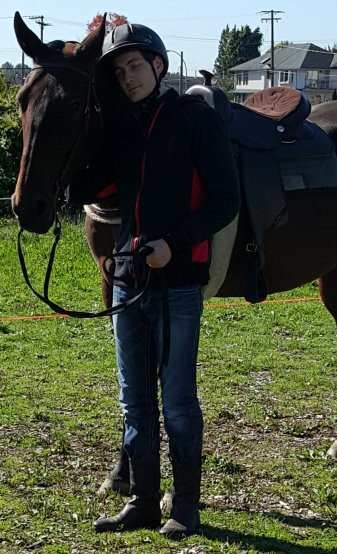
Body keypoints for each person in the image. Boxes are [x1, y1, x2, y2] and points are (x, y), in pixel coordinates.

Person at [69, 23, 240, 537]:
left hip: (179, 281)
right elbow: (91, 184)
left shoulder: (195, 120)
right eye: (119, 72)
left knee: (179, 399)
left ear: (158, 66)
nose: (129, 78)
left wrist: (174, 243)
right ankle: (144, 502)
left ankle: (185, 506)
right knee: (134, 398)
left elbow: (224, 199)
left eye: (136, 66)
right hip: (127, 280)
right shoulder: (122, 128)